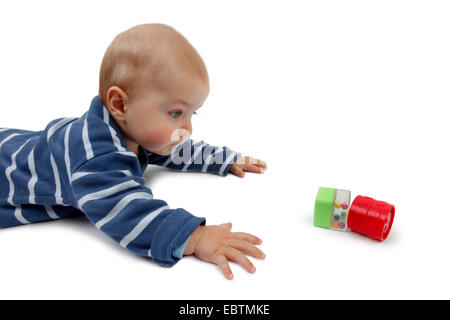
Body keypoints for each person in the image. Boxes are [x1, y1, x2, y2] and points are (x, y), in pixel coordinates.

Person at [0, 23, 267, 280]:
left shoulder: (132, 131)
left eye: (190, 114)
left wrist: (223, 160)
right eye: (176, 113)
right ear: (120, 104)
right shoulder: (94, 157)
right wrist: (195, 237)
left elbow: (172, 149)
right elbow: (125, 211)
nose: (187, 127)